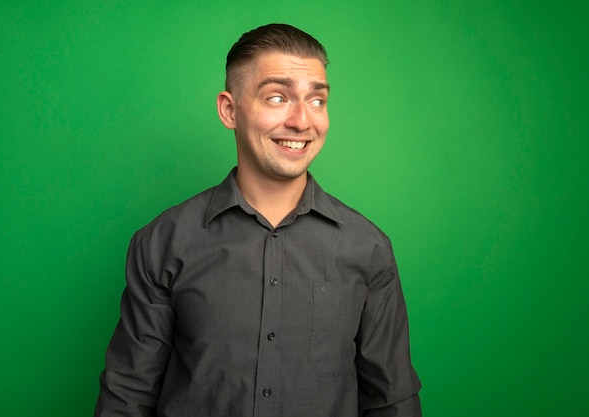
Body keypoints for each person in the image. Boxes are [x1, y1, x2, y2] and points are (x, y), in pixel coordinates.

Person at [95, 23, 422, 417]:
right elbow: (127, 397)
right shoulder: (162, 242)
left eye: (317, 100)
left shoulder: (368, 249)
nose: (303, 121)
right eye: (277, 97)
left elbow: (392, 401)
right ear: (229, 110)